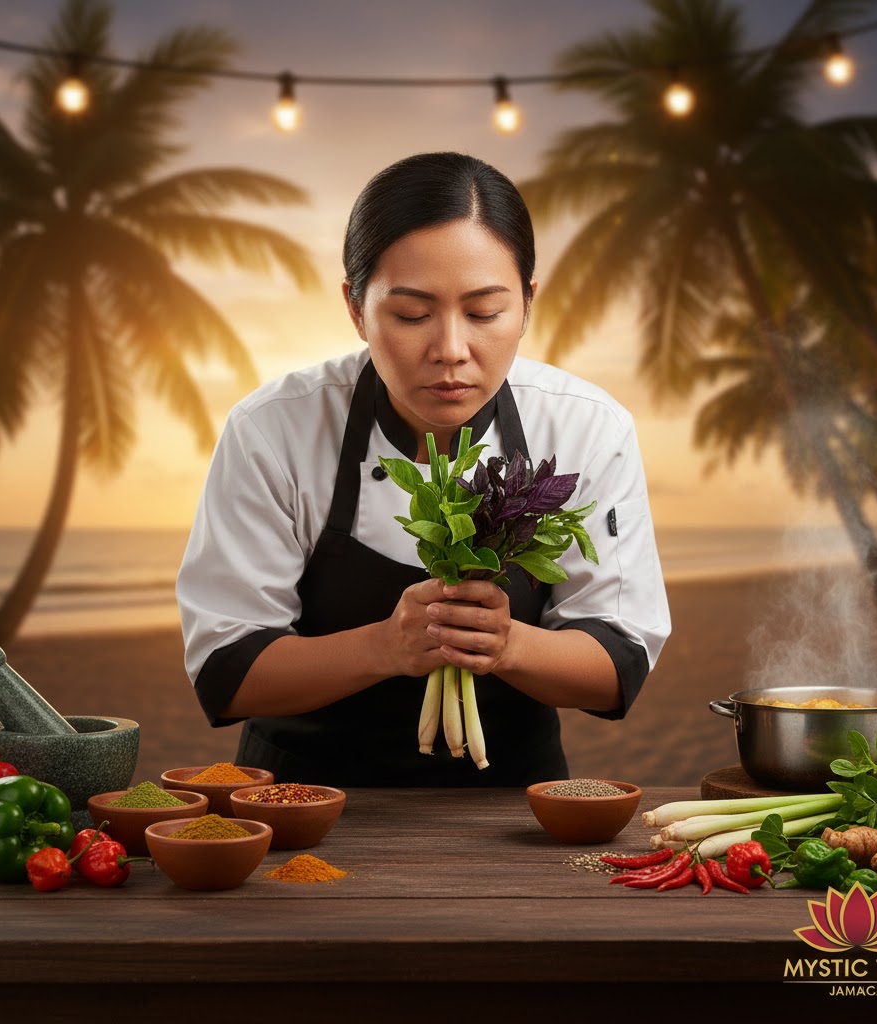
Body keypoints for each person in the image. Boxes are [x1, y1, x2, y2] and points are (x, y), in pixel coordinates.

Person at [176, 151, 670, 787]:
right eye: (411, 315)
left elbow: (618, 666)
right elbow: (226, 671)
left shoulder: (586, 427)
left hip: (513, 808)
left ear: (527, 303)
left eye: (486, 312)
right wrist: (387, 646)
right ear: (356, 308)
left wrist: (507, 644)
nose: (451, 351)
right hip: (295, 806)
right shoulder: (273, 428)